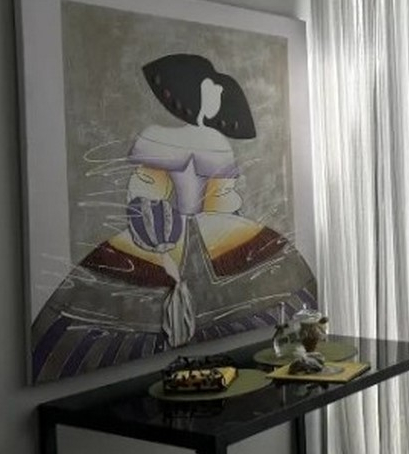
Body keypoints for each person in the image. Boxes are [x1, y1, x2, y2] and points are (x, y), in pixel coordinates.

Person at [31, 54, 317, 383]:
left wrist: (162, 245)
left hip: (164, 230)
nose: (219, 96)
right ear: (200, 89)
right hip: (196, 231)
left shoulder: (159, 136)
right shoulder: (212, 142)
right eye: (214, 88)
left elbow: (145, 198)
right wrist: (170, 249)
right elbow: (218, 203)